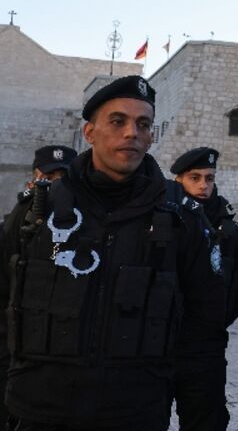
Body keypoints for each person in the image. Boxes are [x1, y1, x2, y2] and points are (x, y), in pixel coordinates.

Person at [0, 75, 224, 430]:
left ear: (152, 136)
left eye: (143, 124)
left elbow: (202, 334)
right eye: (117, 121)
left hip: (136, 414)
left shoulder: (182, 219)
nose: (131, 133)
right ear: (89, 133)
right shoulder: (35, 214)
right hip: (39, 412)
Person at [164, 146, 238, 431]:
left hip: (205, 345)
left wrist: (216, 319)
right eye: (195, 178)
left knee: (207, 420)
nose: (203, 185)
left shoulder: (229, 230)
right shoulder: (162, 220)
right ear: (179, 181)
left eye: (209, 178)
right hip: (160, 344)